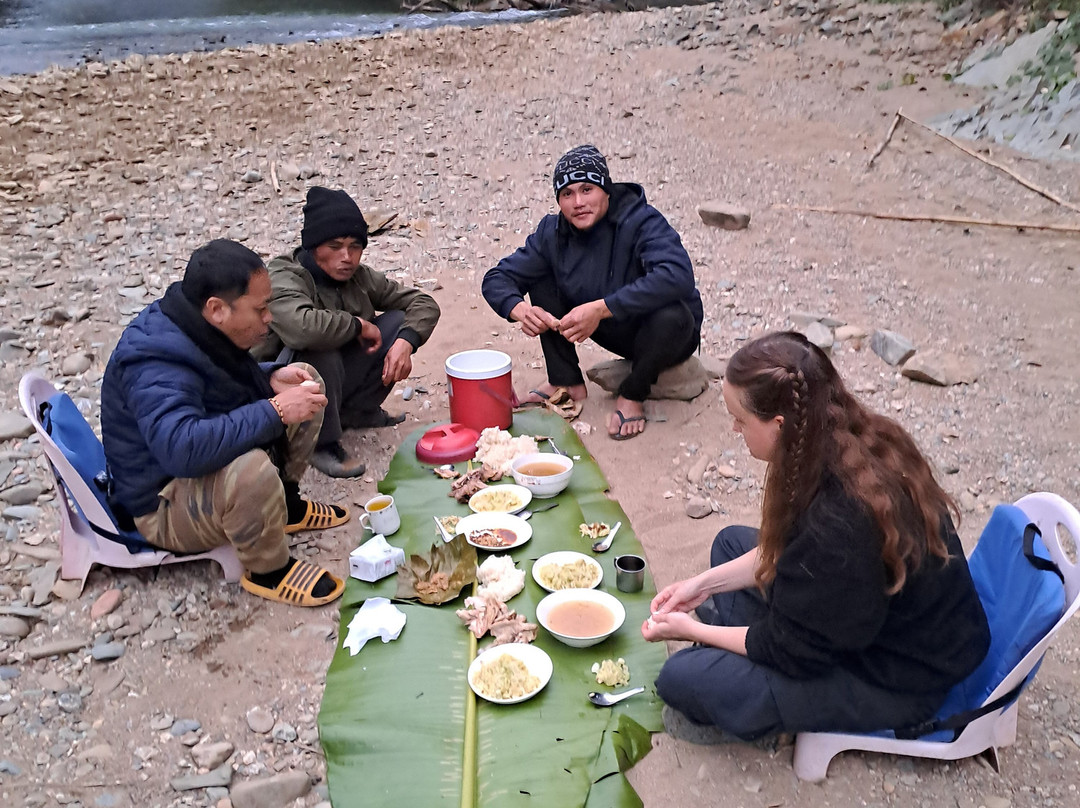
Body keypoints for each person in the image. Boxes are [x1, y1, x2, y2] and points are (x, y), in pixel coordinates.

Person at [643, 331, 991, 742]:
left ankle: (764, 693)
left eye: (740, 420)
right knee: (730, 544)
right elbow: (789, 549)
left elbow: (789, 642)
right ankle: (751, 657)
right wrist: (701, 585)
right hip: (859, 616)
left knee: (680, 678)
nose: (735, 430)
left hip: (899, 675)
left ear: (778, 425)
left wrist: (693, 631)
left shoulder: (838, 523)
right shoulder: (840, 439)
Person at [101, 239, 348, 608]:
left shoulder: (193, 322)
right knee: (251, 470)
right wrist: (275, 410)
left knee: (303, 383)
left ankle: (286, 505)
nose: (269, 318)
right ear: (217, 309)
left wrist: (269, 380)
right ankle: (268, 571)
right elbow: (182, 449)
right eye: (260, 309)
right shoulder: (155, 360)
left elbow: (215, 387)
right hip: (162, 505)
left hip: (188, 474)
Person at [481, 144, 703, 440]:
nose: (578, 202)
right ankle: (566, 381)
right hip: (610, 326)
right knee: (541, 274)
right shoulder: (552, 233)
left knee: (673, 314)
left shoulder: (641, 220)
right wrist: (519, 309)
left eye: (587, 189)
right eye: (567, 194)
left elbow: (678, 276)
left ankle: (634, 392)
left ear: (606, 190)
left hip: (667, 334)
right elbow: (496, 278)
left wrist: (600, 308)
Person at [258, 187, 441, 477]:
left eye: (355, 246)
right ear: (313, 246)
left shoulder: (359, 276)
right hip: (276, 391)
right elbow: (301, 329)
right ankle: (320, 443)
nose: (347, 257)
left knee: (395, 323)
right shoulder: (283, 276)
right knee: (321, 346)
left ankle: (356, 413)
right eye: (335, 246)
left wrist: (407, 341)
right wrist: (357, 325)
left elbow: (422, 303)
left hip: (334, 377)